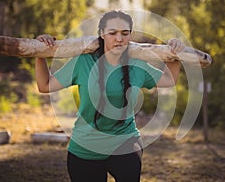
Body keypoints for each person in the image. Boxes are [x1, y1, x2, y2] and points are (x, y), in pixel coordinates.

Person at [35, 10, 184, 182]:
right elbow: (44, 86)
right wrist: (40, 53)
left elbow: (169, 79)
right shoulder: (83, 62)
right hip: (85, 147)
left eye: (124, 33)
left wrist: (174, 53)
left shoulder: (137, 65)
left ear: (131, 35)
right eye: (112, 33)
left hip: (125, 142)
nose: (119, 39)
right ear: (102, 34)